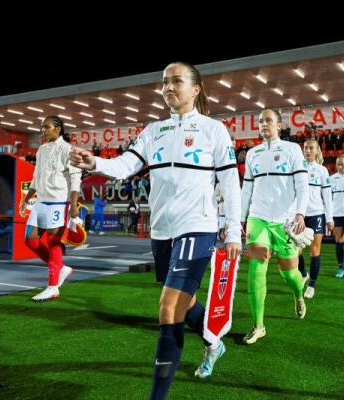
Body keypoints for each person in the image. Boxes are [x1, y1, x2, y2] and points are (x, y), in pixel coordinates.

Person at [69, 62, 242, 398]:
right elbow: (126, 165)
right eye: (164, 82)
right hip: (162, 230)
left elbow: (230, 183)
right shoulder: (153, 131)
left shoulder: (213, 130)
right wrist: (96, 163)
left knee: (166, 307)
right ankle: (213, 342)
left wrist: (233, 231)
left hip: (199, 226)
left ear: (196, 89)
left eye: (176, 81)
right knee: (185, 301)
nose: (168, 87)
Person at [241, 108, 309, 345]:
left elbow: (302, 184)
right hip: (257, 218)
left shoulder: (292, 150)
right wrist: (240, 218)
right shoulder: (252, 153)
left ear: (279, 125)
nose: (263, 125)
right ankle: (258, 325)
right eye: (260, 121)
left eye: (268, 121)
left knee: (290, 273)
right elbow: (247, 189)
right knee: (255, 270)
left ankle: (298, 293)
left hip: (285, 222)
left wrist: (300, 213)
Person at [19, 115, 81, 301]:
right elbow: (35, 177)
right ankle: (61, 268)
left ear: (58, 129)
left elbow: (75, 178)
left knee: (54, 242)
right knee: (30, 240)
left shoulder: (68, 149)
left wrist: (74, 204)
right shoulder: (41, 150)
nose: (43, 130)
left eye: (46, 127)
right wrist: (26, 199)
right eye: (41, 127)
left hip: (58, 201)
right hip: (40, 202)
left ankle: (53, 287)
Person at [298, 139, 333, 299]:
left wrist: (329, 218)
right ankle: (303, 273)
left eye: (311, 148)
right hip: (299, 215)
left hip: (317, 214)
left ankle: (311, 285)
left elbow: (327, 196)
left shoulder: (322, 171)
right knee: (296, 251)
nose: (308, 151)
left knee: (314, 250)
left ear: (317, 150)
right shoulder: (297, 167)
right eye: (305, 148)